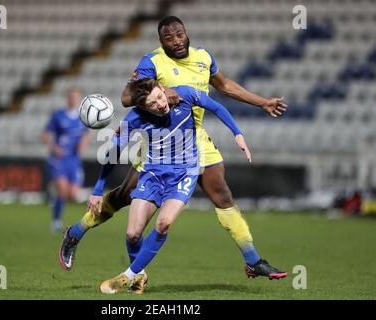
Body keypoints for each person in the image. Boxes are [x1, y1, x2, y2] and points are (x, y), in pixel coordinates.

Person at [63, 16, 288, 287]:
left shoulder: (204, 57)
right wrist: (164, 90)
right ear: (161, 42)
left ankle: (253, 261)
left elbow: (225, 86)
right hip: (159, 143)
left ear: (186, 32)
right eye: (169, 38)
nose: (177, 41)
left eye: (180, 34)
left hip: (196, 137)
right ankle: (76, 232)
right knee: (124, 196)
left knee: (222, 194)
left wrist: (262, 102)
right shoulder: (152, 62)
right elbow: (127, 98)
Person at [61, 78, 251, 293]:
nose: (161, 104)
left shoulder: (185, 95)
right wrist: (97, 190)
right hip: (152, 174)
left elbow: (216, 106)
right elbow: (113, 154)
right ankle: (139, 277)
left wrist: (238, 134)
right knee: (133, 234)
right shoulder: (134, 118)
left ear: (162, 89)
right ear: (143, 107)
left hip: (184, 173)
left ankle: (128, 275)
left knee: (164, 223)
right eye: (153, 104)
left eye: (160, 97)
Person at [41, 88, 90, 233]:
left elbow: (86, 135)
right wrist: (53, 147)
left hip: (74, 160)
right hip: (59, 159)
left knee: (73, 195)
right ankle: (56, 222)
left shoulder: (82, 118)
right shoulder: (58, 116)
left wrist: (83, 144)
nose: (73, 100)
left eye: (76, 98)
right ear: (67, 99)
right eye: (71, 97)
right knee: (62, 190)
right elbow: (44, 134)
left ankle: (56, 199)